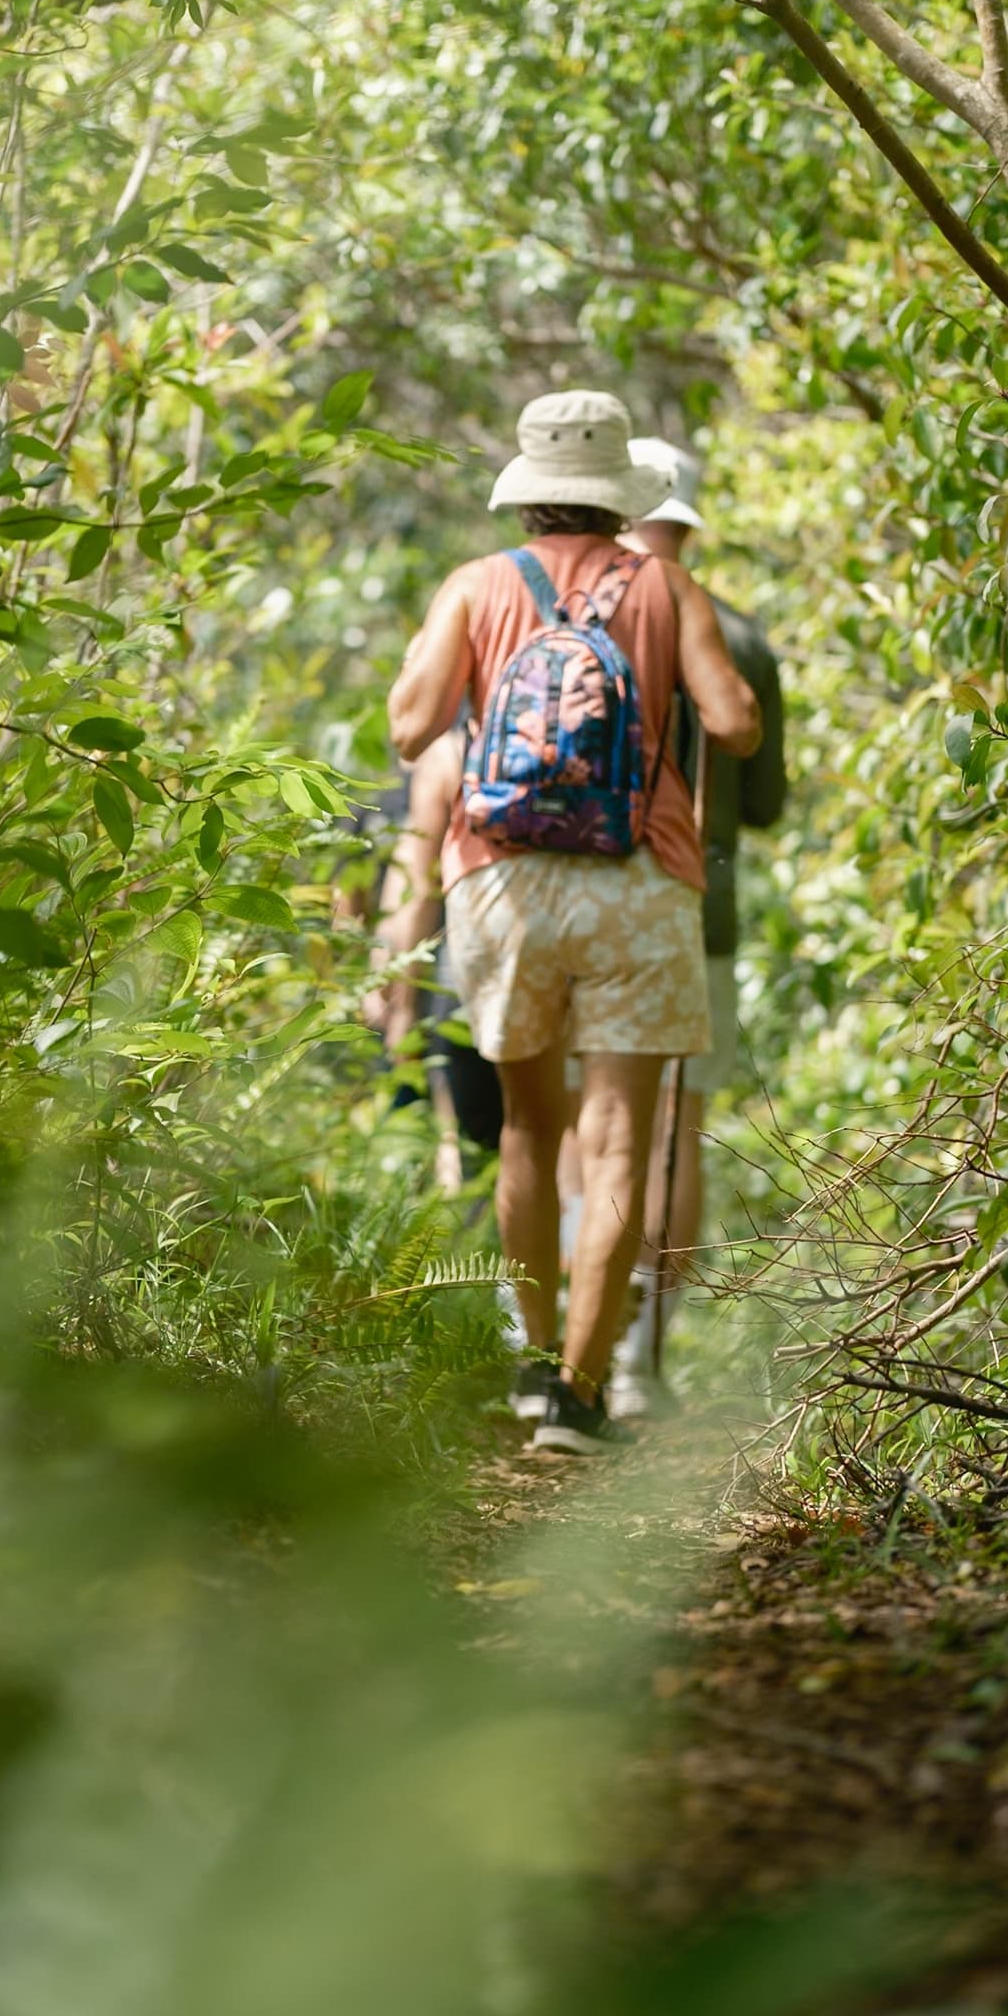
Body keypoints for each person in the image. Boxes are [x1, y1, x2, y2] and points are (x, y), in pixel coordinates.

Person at [388, 390, 761, 1455]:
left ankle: (535, 1356)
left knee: (528, 1128)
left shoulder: (476, 585)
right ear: (618, 498)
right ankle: (582, 1396)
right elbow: (733, 723)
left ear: (528, 492)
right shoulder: (668, 586)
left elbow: (411, 729)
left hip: (502, 885)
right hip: (638, 883)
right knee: (619, 1141)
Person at [609, 437, 787, 1418]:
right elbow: (764, 806)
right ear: (687, 519)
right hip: (696, 906)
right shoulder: (740, 638)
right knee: (674, 1128)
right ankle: (641, 1356)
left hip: (582, 897)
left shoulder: (574, 612)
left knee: (587, 1120)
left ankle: (564, 1339)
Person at [368, 730, 503, 1192]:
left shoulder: (450, 755)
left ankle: (469, 1228)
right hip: (571, 962)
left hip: (466, 984)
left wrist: (402, 1002)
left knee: (474, 1144)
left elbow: (417, 889)